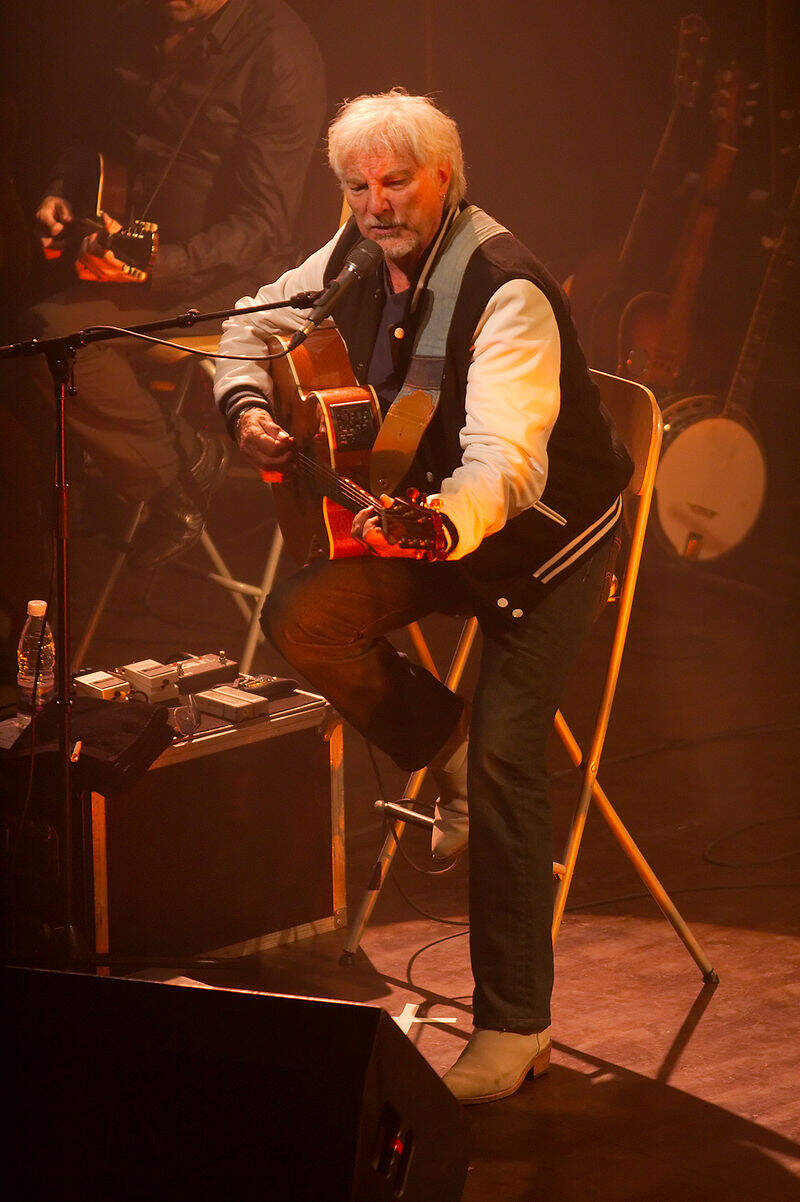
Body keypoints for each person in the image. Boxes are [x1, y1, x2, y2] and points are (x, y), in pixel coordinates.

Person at [213, 90, 633, 1104]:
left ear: (444, 176)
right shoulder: (351, 257)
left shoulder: (506, 289)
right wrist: (246, 403)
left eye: (395, 182)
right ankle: (439, 748)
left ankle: (516, 1025)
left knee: (507, 760)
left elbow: (505, 463)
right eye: (356, 186)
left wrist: (446, 524)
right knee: (303, 618)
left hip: (540, 541)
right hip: (429, 519)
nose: (374, 204)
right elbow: (244, 322)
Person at [21, 0, 325, 570]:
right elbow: (96, 132)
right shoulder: (139, 19)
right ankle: (111, 478)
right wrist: (62, 189)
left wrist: (157, 267)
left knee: (53, 337)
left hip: (230, 280)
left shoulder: (280, 53)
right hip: (128, 249)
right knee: (24, 320)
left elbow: (263, 226)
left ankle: (171, 477)